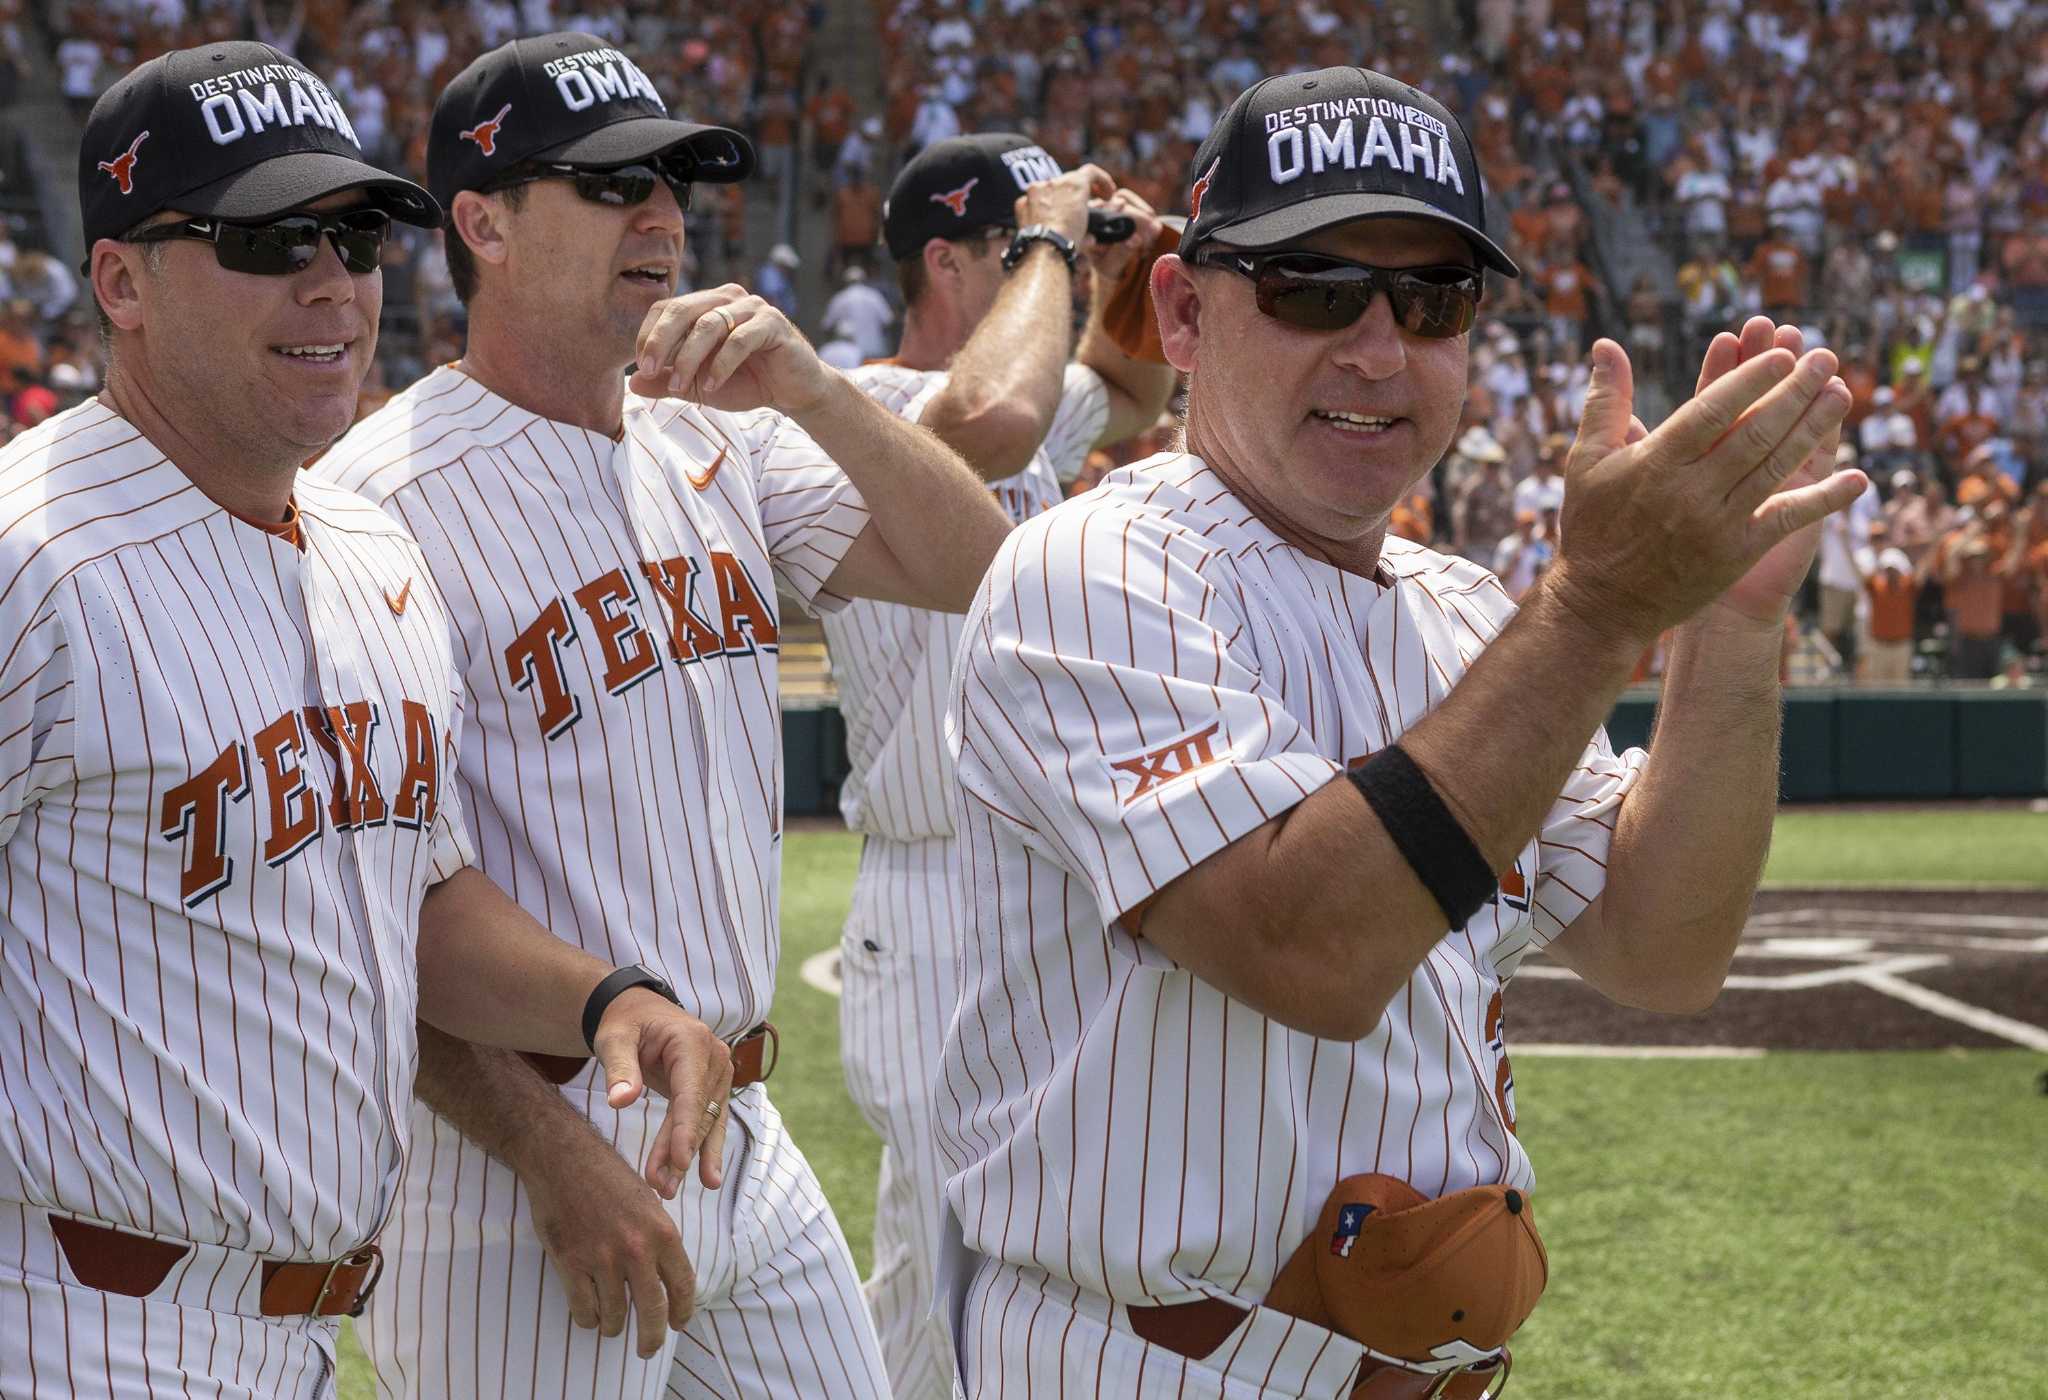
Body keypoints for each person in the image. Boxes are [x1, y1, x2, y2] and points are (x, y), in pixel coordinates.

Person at [932, 65, 1861, 1397]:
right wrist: (1600, 611)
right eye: (1317, 287)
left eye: (1433, 300)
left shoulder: (1466, 610)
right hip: (1160, 1365)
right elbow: (1305, 947)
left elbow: (1667, 947)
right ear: (1185, 312)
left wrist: (1731, 627)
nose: (1379, 349)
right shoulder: (1092, 567)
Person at [1, 41, 734, 1397]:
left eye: (353, 233)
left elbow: (422, 893)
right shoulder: (27, 555)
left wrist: (607, 999)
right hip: (75, 1316)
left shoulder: (362, 544)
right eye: (270, 238)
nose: (331, 282)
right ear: (120, 282)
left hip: (299, 1335)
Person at [311, 32, 1012, 1400]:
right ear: (482, 222)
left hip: (744, 1116)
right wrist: (544, 1149)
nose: (662, 215)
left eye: (676, 180)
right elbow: (378, 903)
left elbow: (979, 566)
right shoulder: (371, 504)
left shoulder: (716, 437)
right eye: (610, 181)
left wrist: (811, 390)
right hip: (531, 1148)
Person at [827, 131, 1178, 1400]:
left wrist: (1131, 273)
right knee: (941, 1271)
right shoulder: (855, 402)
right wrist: (1056, 247)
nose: (1055, 276)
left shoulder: (1023, 383)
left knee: (1036, 1243)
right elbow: (981, 420)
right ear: (943, 259)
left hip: (1042, 884)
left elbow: (1126, 398)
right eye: (1015, 250)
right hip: (928, 895)